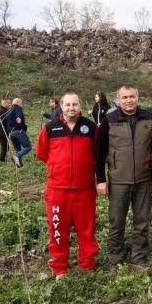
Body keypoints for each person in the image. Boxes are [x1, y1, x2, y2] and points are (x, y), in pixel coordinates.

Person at [34, 93, 100, 279]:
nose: (71, 107)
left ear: (80, 106)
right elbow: (42, 153)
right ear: (61, 106)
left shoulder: (91, 127)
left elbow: (97, 153)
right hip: (57, 190)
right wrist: (58, 168)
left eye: (75, 104)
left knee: (86, 229)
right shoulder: (49, 127)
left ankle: (87, 264)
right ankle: (59, 267)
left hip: (84, 189)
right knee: (57, 229)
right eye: (68, 104)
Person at [96, 84, 152, 275]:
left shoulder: (150, 117)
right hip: (118, 180)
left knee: (142, 220)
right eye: (125, 97)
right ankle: (115, 259)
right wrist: (101, 179)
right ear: (118, 99)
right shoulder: (110, 120)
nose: (129, 100)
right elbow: (99, 151)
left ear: (137, 97)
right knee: (116, 222)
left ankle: (139, 259)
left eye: (132, 97)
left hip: (144, 178)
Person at [7, 98, 33, 168]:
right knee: (28, 147)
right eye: (21, 103)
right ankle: (17, 156)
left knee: (18, 150)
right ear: (18, 102)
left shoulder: (9, 110)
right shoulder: (17, 107)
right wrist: (19, 117)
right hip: (18, 131)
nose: (22, 105)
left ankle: (19, 165)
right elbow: (19, 113)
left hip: (11, 133)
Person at [0, 98, 12, 163]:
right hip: (1, 132)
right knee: (5, 147)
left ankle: (3, 158)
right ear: (4, 103)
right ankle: (0, 160)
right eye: (9, 103)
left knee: (5, 146)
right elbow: (4, 121)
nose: (10, 104)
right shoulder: (2, 111)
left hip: (0, 131)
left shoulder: (2, 110)